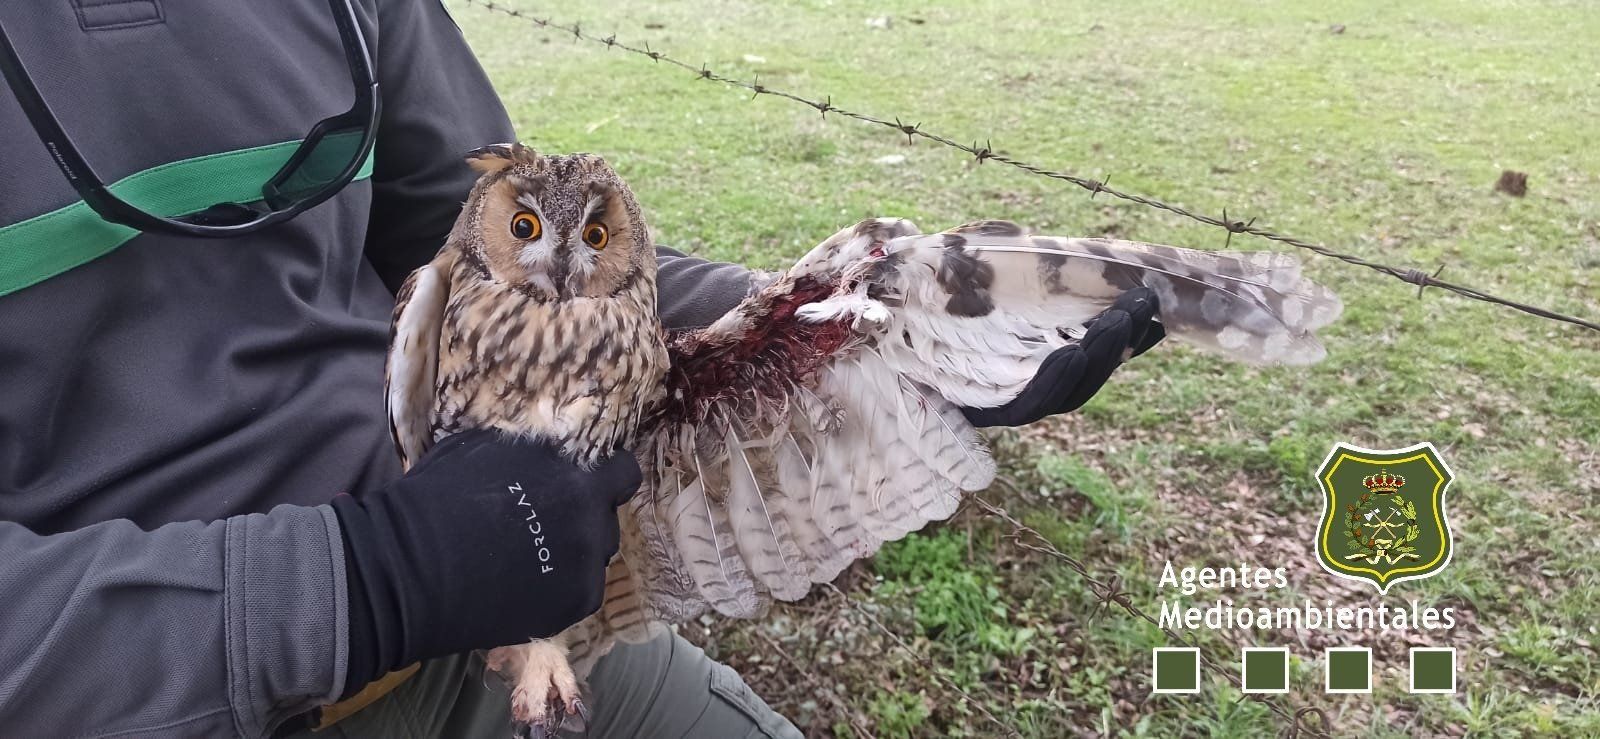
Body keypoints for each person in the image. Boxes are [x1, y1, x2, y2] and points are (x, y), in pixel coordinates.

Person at [0, 1, 1163, 737]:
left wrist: (839, 329)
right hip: (165, 688)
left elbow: (481, 246)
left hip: (489, 629)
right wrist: (365, 576)